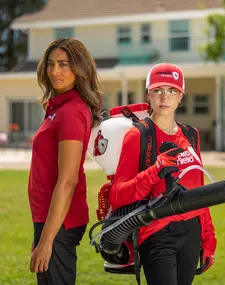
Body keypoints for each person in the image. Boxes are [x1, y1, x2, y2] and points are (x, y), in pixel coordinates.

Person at [109, 63, 217, 285]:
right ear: (148, 94)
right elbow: (117, 195)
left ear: (181, 96)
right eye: (158, 90)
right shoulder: (138, 135)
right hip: (157, 232)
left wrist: (208, 236)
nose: (164, 97)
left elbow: (199, 192)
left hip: (191, 232)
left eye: (172, 91)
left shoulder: (191, 135)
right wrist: (154, 171)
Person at [28, 38, 104, 285]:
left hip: (62, 219)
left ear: (79, 69)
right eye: (50, 64)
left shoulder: (71, 110)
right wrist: (42, 234)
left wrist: (47, 239)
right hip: (50, 218)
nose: (54, 71)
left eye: (63, 65)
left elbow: (68, 180)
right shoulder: (56, 107)